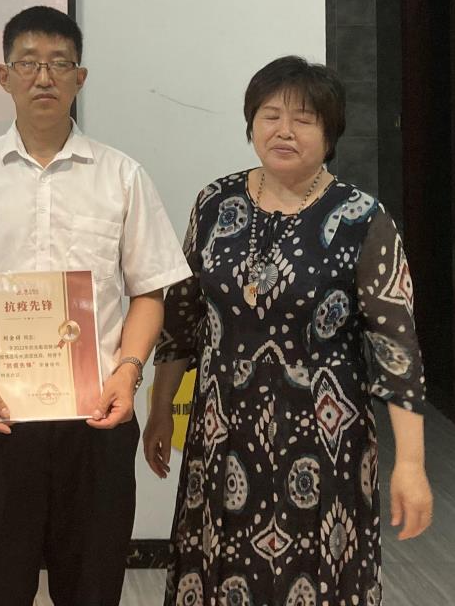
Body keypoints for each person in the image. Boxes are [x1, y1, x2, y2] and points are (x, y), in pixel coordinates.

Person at [0, 5, 190, 606]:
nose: (44, 77)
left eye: (59, 64)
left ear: (79, 78)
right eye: (28, 63)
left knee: (91, 589)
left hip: (97, 419)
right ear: (3, 76)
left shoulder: (121, 176)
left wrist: (128, 372)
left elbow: (148, 291)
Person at [143, 56, 433, 606]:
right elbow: (182, 320)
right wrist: (161, 410)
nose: (284, 131)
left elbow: (396, 349)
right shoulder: (215, 203)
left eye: (303, 119)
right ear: (251, 123)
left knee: (317, 576)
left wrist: (411, 464)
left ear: (330, 133)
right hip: (223, 435)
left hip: (325, 443)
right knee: (218, 567)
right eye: (270, 115)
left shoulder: (362, 218)